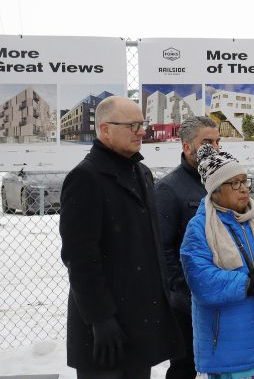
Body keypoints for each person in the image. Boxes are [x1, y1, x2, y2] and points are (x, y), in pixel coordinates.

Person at [59, 96, 182, 378]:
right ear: (105, 130)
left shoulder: (142, 173)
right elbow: (80, 259)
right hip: (104, 332)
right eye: (132, 126)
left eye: (142, 124)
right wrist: (100, 319)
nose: (141, 132)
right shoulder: (86, 178)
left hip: (139, 324)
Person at [180, 145, 254, 378]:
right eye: (234, 183)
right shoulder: (200, 229)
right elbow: (202, 280)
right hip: (227, 352)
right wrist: (248, 285)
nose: (244, 189)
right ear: (215, 191)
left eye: (244, 181)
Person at [154, 116, 221, 379]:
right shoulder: (169, 190)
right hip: (188, 302)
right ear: (186, 147)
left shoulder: (221, 183)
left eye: (217, 142)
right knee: (185, 366)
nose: (214, 148)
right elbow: (162, 248)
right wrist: (183, 291)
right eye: (206, 142)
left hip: (222, 292)